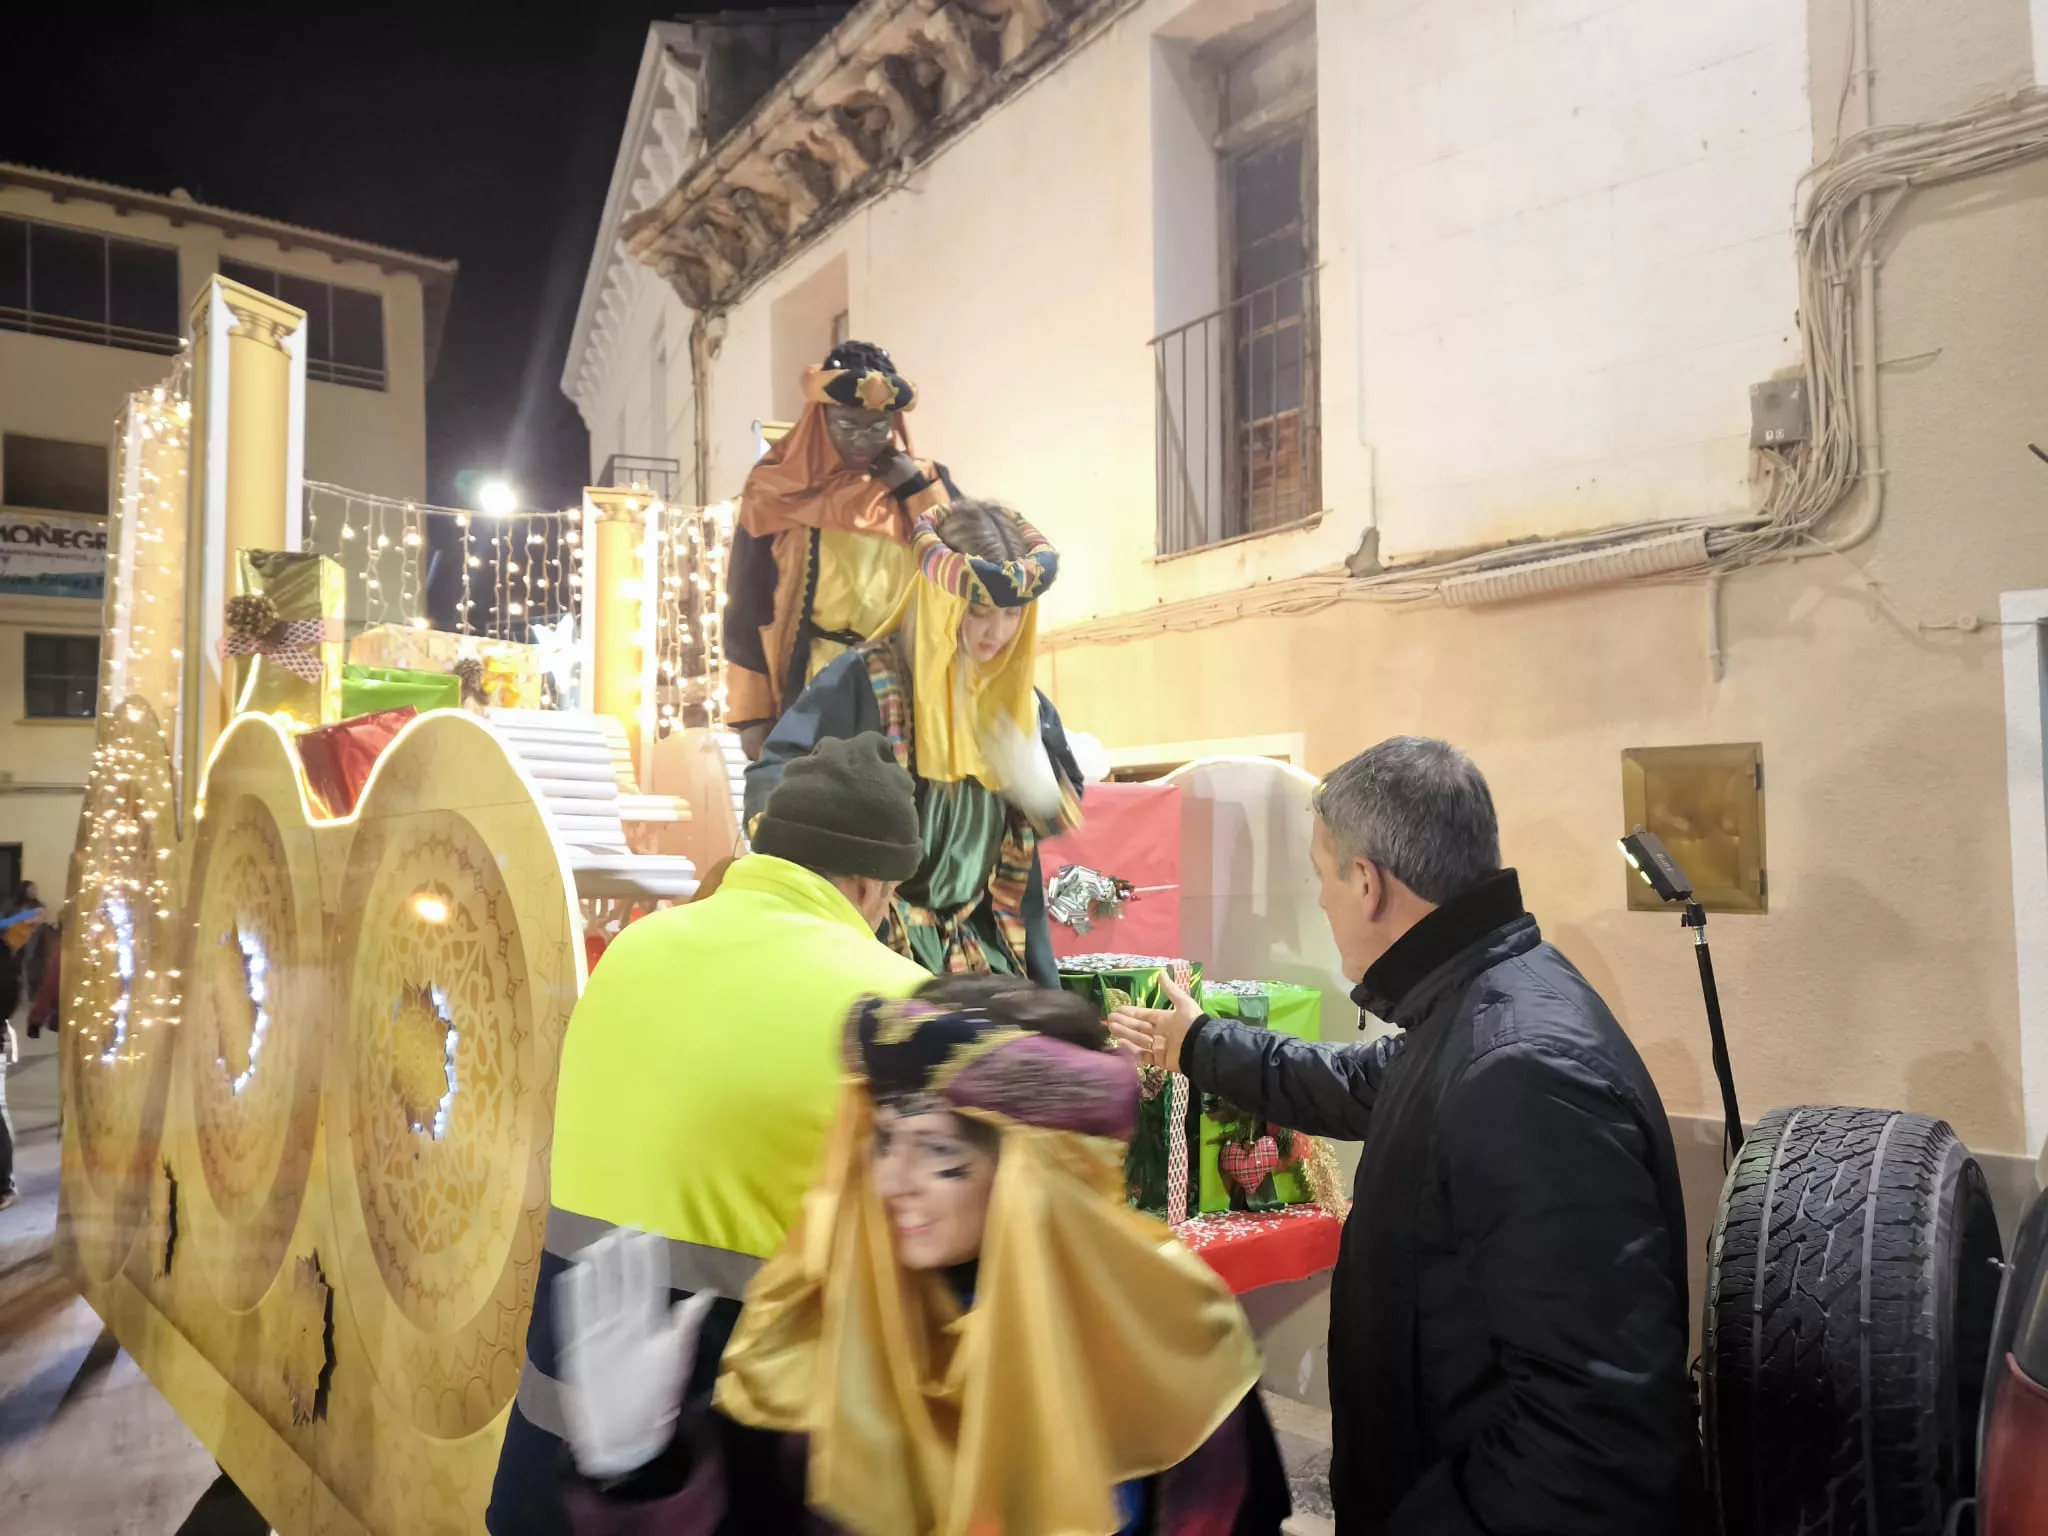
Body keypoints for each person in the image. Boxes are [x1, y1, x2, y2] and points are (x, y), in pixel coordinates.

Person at [1108, 737, 1699, 1535]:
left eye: (1322, 879)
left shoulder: (1525, 1072)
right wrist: (1199, 1042)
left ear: (1366, 882)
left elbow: (1589, 1435)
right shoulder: (1480, 1001)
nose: (1321, 904)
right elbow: (1359, 1084)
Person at [556, 975, 1292, 1535]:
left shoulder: (1171, 1329)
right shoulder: (822, 1329)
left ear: (1050, 1176)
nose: (889, 1181)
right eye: (883, 1139)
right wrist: (639, 1470)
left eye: (937, 1150)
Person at [486, 733, 933, 1536]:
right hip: (706, 1488)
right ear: (872, 886)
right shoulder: (895, 1004)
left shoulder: (634, 947)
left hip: (548, 1466)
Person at [745, 500, 1082, 987]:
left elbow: (1056, 814)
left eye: (1014, 616)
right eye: (980, 612)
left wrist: (1035, 779)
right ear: (939, 601)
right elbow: (778, 774)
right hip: (881, 939)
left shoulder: (1020, 700)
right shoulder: (868, 679)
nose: (998, 633)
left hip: (982, 942)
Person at [725, 339, 957, 760]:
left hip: (906, 681)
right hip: (817, 681)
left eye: (877, 427)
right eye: (847, 426)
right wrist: (751, 715)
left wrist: (915, 492)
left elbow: (961, 562)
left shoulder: (925, 483)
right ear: (820, 418)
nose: (862, 441)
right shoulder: (776, 487)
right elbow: (748, 602)